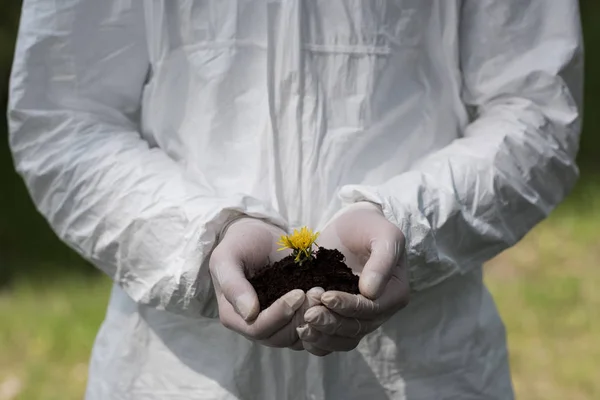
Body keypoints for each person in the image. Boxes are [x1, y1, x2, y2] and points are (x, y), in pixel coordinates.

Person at [8, 0, 582, 399]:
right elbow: (63, 118)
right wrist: (199, 242)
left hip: (421, 373)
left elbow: (537, 111)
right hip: (179, 377)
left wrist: (406, 223)